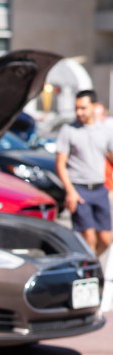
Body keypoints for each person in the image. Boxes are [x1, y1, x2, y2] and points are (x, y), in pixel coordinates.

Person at [55, 89, 113, 255]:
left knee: (105, 239)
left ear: (94, 107)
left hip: (100, 188)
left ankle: (89, 266)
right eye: (77, 108)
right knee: (88, 237)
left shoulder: (105, 130)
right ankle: (90, 274)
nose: (79, 112)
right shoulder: (68, 130)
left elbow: (110, 156)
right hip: (79, 190)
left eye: (83, 108)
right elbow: (60, 164)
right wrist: (70, 191)